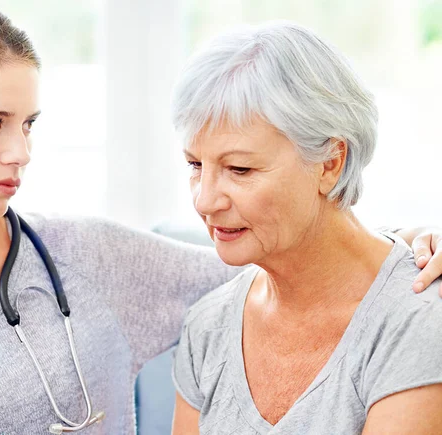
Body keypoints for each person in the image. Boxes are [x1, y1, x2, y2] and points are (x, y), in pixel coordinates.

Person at [0, 2, 438, 434]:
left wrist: (408, 243)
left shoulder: (92, 260)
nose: (20, 151)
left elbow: (303, 263)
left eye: (29, 124)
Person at [171, 22, 442, 434]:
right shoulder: (207, 326)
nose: (204, 201)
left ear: (330, 163)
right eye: (195, 165)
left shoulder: (419, 320)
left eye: (239, 168)